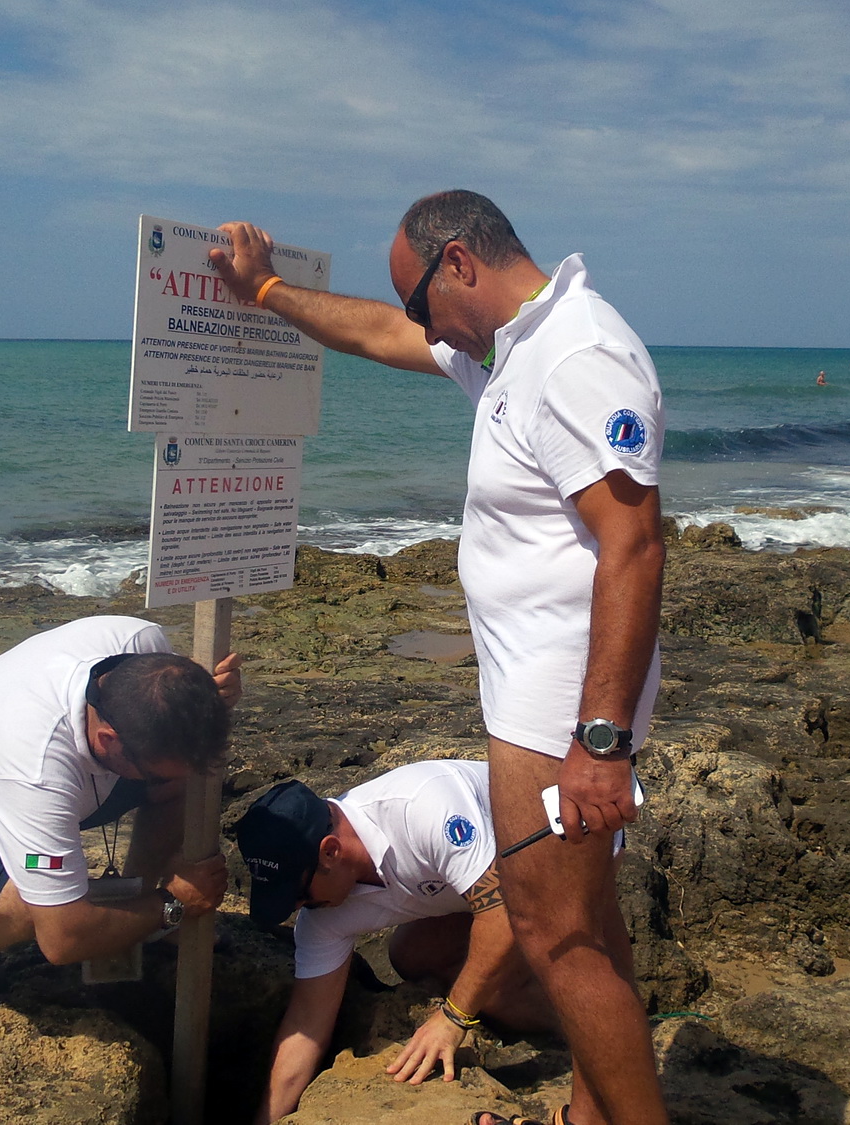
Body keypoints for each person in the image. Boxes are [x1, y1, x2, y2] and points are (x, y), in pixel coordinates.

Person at [209, 190, 666, 1125]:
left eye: (422, 300)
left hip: (562, 704)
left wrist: (602, 737)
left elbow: (636, 544)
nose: (420, 323)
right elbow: (381, 332)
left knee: (556, 937)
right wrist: (266, 292)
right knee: (589, 933)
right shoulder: (513, 352)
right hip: (541, 697)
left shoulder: (576, 354)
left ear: (459, 261)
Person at [0, 616, 242, 1029]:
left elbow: (177, 706)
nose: (165, 779)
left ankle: (134, 916)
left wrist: (209, 695)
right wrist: (175, 902)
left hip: (4, 784)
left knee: (185, 780)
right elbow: (61, 939)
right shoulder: (34, 772)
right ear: (108, 740)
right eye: (155, 771)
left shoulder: (139, 643)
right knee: (30, 904)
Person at [239, 761, 564, 1123]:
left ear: (331, 851)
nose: (298, 907)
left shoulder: (421, 809)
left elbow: (503, 910)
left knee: (495, 975)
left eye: (298, 892)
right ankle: (554, 1020)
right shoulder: (322, 913)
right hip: (478, 887)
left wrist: (454, 1018)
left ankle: (589, 1040)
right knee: (414, 954)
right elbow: (307, 1023)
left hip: (560, 842)